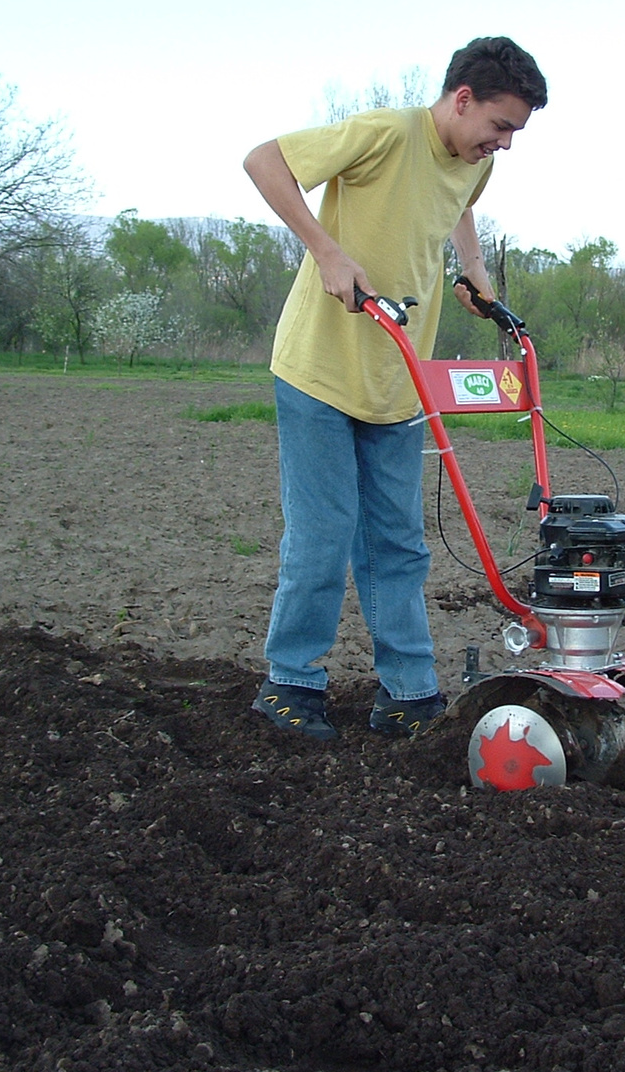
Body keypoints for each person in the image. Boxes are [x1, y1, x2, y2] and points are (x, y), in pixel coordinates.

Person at [241, 37, 548, 741]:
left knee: (399, 544)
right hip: (320, 368)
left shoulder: (474, 163)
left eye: (516, 132)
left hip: (400, 377)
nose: (504, 144)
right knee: (322, 536)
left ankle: (408, 693)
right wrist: (326, 250)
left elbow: (461, 204)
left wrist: (473, 270)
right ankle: (289, 683)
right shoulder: (385, 133)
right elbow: (266, 161)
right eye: (499, 126)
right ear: (462, 99)